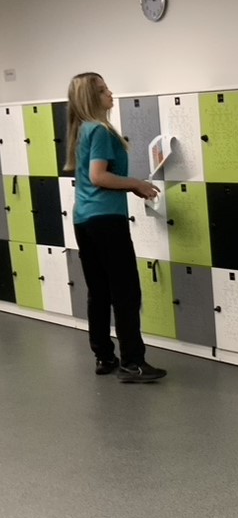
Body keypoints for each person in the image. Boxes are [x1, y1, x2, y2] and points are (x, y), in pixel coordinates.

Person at [65, 72, 167, 383]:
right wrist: (136, 184)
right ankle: (133, 362)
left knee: (99, 291)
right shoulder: (100, 131)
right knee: (125, 292)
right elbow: (99, 176)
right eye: (103, 90)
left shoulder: (82, 130)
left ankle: (103, 356)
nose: (111, 93)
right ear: (91, 98)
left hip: (84, 219)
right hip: (106, 220)